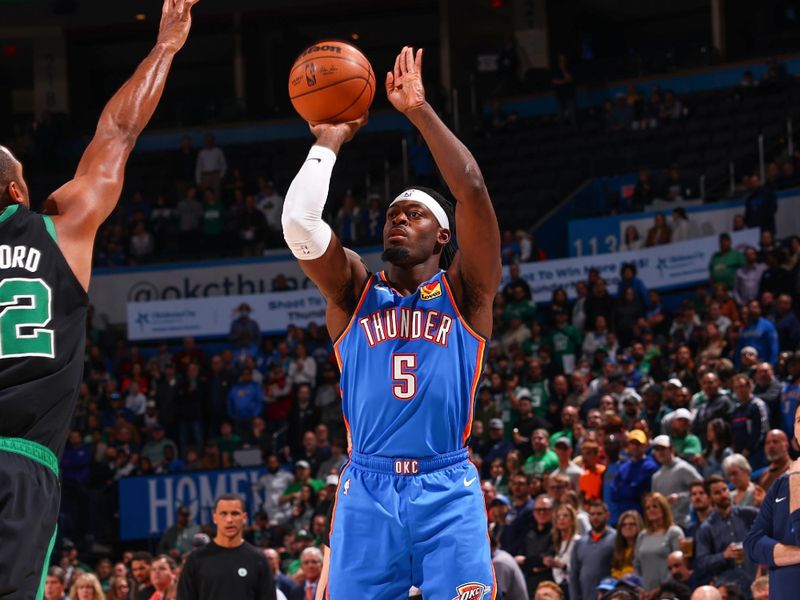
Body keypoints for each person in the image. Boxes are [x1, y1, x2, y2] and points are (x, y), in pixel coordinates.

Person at [280, 46, 500, 598]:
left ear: (442, 236)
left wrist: (419, 110)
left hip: (445, 486)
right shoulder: (355, 291)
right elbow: (299, 224)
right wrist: (329, 137)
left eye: (415, 214)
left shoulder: (466, 296)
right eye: (391, 215)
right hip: (367, 487)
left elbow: (471, 188)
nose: (398, 219)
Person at [0, 3, 197, 596]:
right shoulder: (62, 228)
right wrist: (164, 47)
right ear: (18, 191)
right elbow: (118, 132)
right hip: (21, 461)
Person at [744, 400, 800, 598]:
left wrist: (796, 481)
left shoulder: (792, 479)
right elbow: (752, 543)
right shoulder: (779, 485)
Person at [178, 493, 276, 599]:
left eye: (235, 513)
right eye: (223, 514)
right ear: (215, 518)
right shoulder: (196, 560)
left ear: (244, 518)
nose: (229, 520)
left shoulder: (258, 559)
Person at [695, 475, 758, 592]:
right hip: (728, 589)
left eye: (725, 490)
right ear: (709, 498)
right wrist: (724, 555)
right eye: (717, 493)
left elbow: (772, 522)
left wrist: (763, 501)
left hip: (754, 582)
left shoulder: (748, 514)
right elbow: (702, 562)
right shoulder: (706, 528)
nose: (723, 495)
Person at [634, 492, 684, 591]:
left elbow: (680, 566)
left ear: (664, 509)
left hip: (668, 591)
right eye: (647, 508)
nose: (651, 510)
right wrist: (639, 588)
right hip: (645, 593)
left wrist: (660, 589)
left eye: (655, 506)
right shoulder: (642, 535)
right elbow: (636, 564)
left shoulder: (674, 532)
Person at [651, 435, 703, 530]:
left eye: (662, 449)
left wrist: (680, 497)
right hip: (666, 526)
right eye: (657, 450)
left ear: (671, 449)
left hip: (685, 523)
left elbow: (703, 489)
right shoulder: (656, 477)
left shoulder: (683, 468)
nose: (659, 453)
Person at [568, 501, 616, 600]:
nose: (595, 517)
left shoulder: (616, 538)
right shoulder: (580, 542)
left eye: (599, 514)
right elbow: (574, 574)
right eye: (592, 514)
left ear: (607, 515)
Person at [611, 510, 643, 579]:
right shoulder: (618, 550)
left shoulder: (643, 549)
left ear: (638, 526)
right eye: (624, 525)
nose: (627, 527)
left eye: (632, 524)